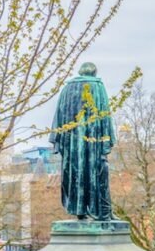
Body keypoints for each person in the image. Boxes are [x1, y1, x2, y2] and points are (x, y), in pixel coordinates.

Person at [49, 62, 116, 221]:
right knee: (96, 172)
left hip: (71, 142)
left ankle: (79, 210)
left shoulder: (66, 89)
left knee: (75, 173)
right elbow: (104, 115)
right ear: (93, 72)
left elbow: (58, 115)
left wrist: (60, 138)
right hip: (93, 141)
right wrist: (106, 138)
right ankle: (102, 212)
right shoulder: (97, 86)